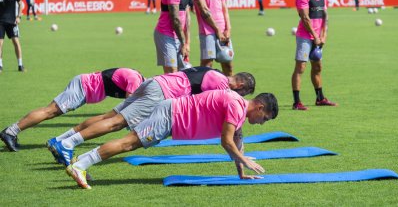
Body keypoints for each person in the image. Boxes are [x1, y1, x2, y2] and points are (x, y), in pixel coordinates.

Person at [66, 89, 278, 189]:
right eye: (265, 118)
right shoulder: (236, 105)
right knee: (128, 143)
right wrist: (245, 160)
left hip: (172, 117)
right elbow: (226, 141)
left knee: (128, 142)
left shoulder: (239, 111)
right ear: (259, 108)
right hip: (170, 116)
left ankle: (81, 161)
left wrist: (241, 173)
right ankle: (81, 164)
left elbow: (236, 142)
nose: (262, 123)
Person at [50, 67, 256, 166]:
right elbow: (200, 106)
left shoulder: (213, 72)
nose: (239, 97)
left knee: (112, 116)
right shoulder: (221, 85)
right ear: (239, 86)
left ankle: (62, 139)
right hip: (163, 93)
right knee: (117, 123)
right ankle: (68, 144)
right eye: (243, 94)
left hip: (156, 84)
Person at [0, 68, 144, 152]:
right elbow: (129, 105)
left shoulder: (138, 80)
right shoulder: (136, 81)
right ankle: (10, 132)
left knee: (50, 112)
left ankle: (13, 132)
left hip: (84, 88)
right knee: (50, 111)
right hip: (83, 87)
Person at [291, 0, 337, 111]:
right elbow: (304, 18)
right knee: (301, 67)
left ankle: (320, 98)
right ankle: (297, 102)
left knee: (317, 67)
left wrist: (323, 36)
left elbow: (325, 17)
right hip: (305, 37)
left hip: (317, 39)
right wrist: (315, 36)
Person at [154, 0, 199, 73]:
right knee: (171, 75)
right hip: (166, 35)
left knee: (181, 73)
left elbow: (187, 17)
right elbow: (175, 19)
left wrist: (187, 42)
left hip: (178, 37)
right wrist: (183, 43)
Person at [192, 0, 233, 76]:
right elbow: (204, 11)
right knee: (207, 66)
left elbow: (224, 8)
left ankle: (229, 94)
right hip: (208, 31)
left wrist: (228, 28)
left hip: (223, 31)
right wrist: (217, 30)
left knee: (228, 64)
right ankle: (203, 94)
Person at [0, 0, 24, 73]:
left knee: (16, 42)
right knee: (0, 44)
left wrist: (19, 16)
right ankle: (0, 65)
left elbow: (21, 3)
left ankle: (20, 64)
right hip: (0, 22)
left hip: (12, 22)